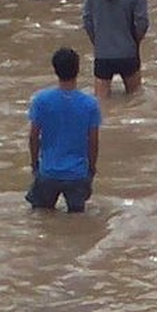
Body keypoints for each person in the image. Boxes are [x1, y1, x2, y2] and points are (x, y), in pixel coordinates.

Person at [26, 48, 101, 213]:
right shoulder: (90, 104)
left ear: (55, 70)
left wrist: (34, 164)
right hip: (77, 174)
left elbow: (33, 136)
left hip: (48, 172)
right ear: (78, 69)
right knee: (77, 221)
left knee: (41, 217)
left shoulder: (41, 101)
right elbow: (93, 142)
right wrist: (91, 168)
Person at [81, 0, 149, 98]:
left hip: (103, 54)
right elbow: (142, 23)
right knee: (135, 99)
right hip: (128, 53)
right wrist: (134, 42)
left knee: (101, 103)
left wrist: (98, 42)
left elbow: (87, 21)